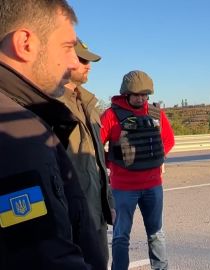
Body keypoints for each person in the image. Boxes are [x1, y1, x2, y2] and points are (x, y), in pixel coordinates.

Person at [0, 0, 102, 269]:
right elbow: (42, 257)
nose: (72, 63)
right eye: (68, 47)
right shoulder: (15, 132)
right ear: (26, 43)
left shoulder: (29, 115)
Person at [101, 70, 175, 270]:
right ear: (126, 93)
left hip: (153, 186)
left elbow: (168, 140)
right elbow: (96, 145)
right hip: (123, 188)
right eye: (137, 95)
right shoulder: (110, 115)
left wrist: (153, 158)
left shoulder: (155, 113)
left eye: (145, 94)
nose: (141, 98)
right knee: (120, 235)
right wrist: (112, 162)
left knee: (156, 233)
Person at [57, 37, 115, 268]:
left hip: (95, 214)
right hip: (70, 218)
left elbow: (97, 161)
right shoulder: (50, 105)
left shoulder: (88, 104)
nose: (88, 65)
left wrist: (108, 201)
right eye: (82, 60)